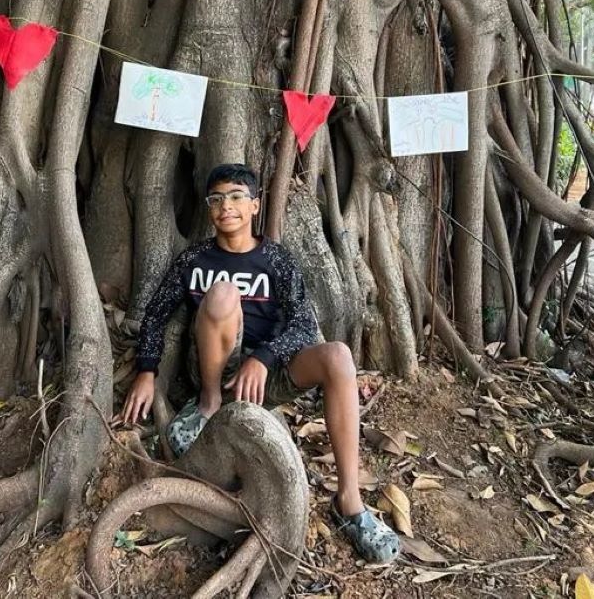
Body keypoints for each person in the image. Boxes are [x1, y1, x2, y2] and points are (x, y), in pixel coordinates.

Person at [119, 163, 401, 563]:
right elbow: (155, 314)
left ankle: (350, 503)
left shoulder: (276, 260)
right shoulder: (195, 259)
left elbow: (305, 323)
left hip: (265, 373)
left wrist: (266, 358)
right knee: (221, 295)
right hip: (216, 368)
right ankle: (208, 407)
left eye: (236, 197)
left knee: (338, 356)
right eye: (216, 199)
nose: (225, 207)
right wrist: (147, 372)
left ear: (255, 206)